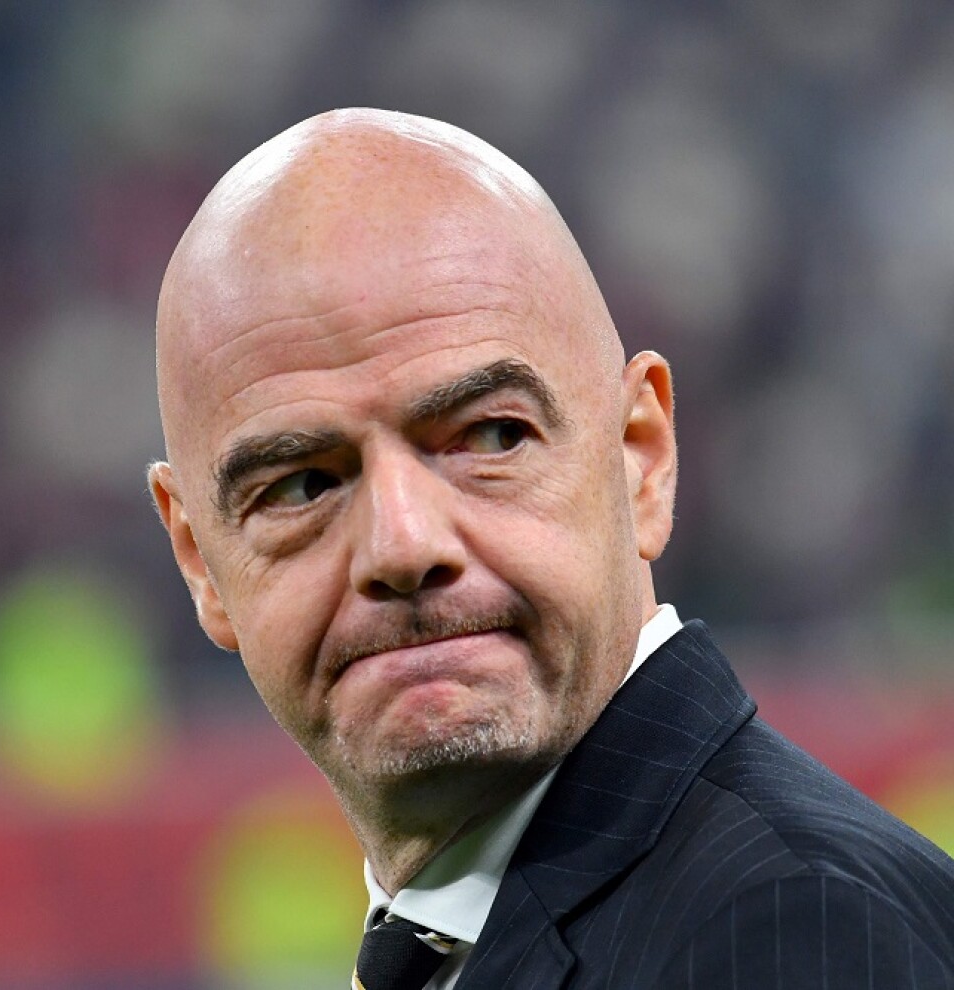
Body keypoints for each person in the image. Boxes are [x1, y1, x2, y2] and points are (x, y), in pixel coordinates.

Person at [146, 108, 954, 989]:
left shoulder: (795, 931)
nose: (402, 546)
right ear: (200, 561)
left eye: (491, 437)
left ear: (641, 458)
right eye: (303, 485)